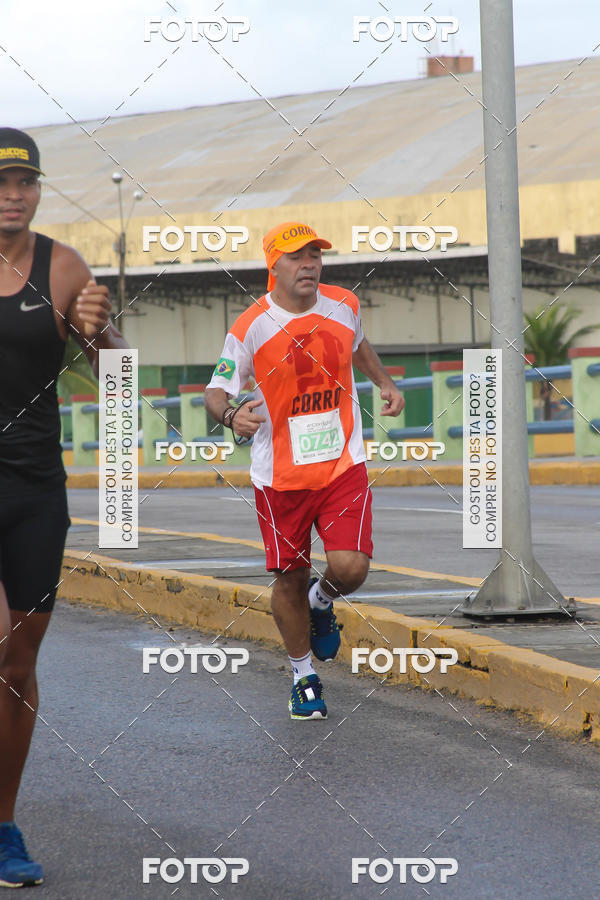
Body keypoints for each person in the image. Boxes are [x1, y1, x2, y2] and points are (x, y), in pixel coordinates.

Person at [205, 221, 404, 721]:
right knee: (288, 578)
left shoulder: (344, 304)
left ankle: (323, 599)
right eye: (297, 256)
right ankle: (302, 676)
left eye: (315, 255)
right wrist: (231, 414)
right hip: (280, 477)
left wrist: (385, 383)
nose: (310, 264)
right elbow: (216, 390)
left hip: (342, 464)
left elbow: (358, 345)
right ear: (274, 265)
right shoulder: (251, 325)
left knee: (351, 567)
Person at [0, 127, 127, 887]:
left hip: (37, 492)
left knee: (18, 666)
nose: (13, 196)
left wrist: (102, 328)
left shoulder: (64, 266)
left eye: (25, 184)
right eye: (0, 183)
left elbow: (115, 372)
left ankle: (4, 826)